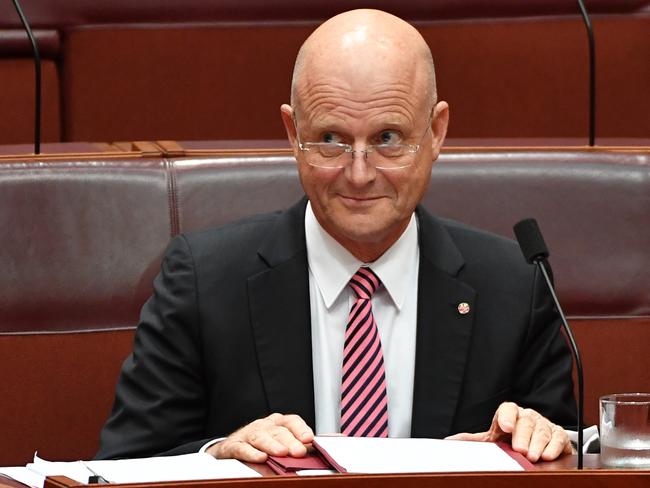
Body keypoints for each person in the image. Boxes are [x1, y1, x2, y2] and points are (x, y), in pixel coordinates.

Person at [97, 9, 576, 464]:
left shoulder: (516, 287)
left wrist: (538, 446)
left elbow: (567, 458)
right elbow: (125, 465)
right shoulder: (203, 282)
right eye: (331, 139)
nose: (360, 173)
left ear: (435, 133)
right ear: (292, 132)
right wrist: (218, 455)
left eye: (388, 138)